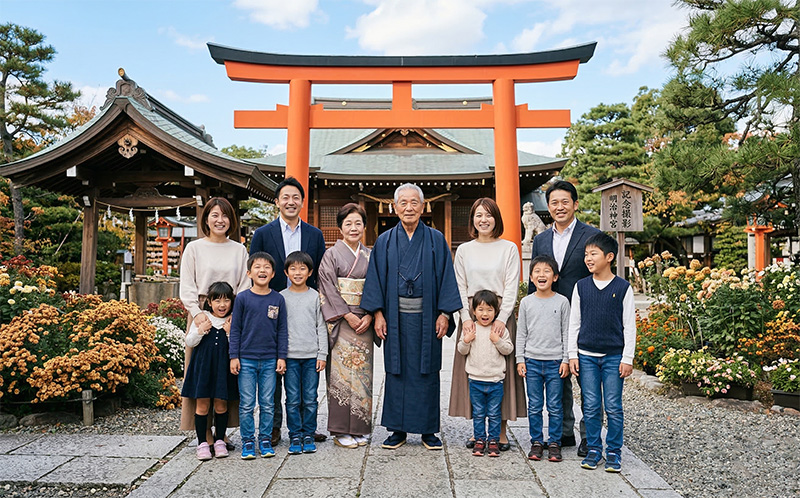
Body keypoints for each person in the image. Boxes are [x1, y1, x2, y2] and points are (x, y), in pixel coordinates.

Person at [361, 183, 462, 451]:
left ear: (423, 206)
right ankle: (398, 430)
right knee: (397, 370)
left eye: (414, 202)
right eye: (403, 203)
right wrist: (378, 314)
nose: (409, 207)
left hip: (428, 317)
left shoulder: (436, 239)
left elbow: (446, 277)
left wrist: (444, 313)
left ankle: (428, 430)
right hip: (394, 318)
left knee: (427, 370)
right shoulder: (384, 241)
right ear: (394, 208)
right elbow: (376, 281)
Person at [250, 177, 327, 445]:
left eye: (295, 197)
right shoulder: (262, 233)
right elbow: (256, 272)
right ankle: (273, 428)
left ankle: (306, 428)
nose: (290, 202)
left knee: (304, 380)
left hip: (304, 306)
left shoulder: (315, 235)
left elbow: (320, 274)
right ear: (277, 202)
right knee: (274, 370)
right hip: (271, 307)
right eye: (285, 197)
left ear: (302, 202)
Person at [527, 180, 601, 456]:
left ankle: (589, 436)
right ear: (548, 206)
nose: (559, 207)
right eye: (554, 202)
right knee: (560, 374)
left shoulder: (591, 236)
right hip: (549, 316)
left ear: (575, 204)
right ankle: (565, 432)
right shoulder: (541, 239)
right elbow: (535, 276)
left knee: (586, 377)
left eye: (564, 202)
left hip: (583, 316)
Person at [449, 197, 525, 451]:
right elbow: (459, 285)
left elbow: (512, 284)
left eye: (489, 215)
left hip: (499, 315)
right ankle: (478, 432)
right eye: (478, 215)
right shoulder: (464, 250)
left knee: (500, 373)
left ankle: (500, 432)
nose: (484, 219)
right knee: (475, 371)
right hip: (472, 316)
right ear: (472, 219)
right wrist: (465, 317)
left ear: (496, 219)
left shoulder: (509, 248)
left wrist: (503, 318)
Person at [179, 197, 250, 451]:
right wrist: (197, 313)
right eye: (214, 215)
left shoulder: (239, 249)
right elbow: (186, 285)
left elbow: (245, 284)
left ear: (232, 220)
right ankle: (204, 434)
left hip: (231, 315)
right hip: (201, 315)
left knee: (226, 374)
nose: (220, 220)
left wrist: (236, 314)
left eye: (225, 215)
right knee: (201, 375)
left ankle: (222, 434)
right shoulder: (194, 248)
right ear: (206, 218)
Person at [568, 233, 636, 472]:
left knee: (614, 406)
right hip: (586, 355)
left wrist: (627, 358)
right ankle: (595, 448)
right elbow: (574, 323)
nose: (588, 258)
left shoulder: (623, 288)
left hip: (613, 357)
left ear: (609, 257)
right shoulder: (581, 287)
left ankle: (614, 451)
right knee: (592, 405)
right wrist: (572, 354)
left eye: (593, 254)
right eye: (586, 254)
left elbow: (630, 326)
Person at [318, 203, 375, 449]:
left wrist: (370, 315)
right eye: (348, 223)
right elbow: (327, 288)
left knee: (362, 377)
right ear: (340, 228)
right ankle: (341, 429)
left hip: (365, 322)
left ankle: (360, 427)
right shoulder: (331, 255)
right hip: (342, 322)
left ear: (365, 226)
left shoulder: (370, 255)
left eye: (358, 223)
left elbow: (377, 287)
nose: (353, 228)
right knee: (341, 375)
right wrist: (347, 315)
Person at [229, 252, 288, 459]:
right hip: (246, 359)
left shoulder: (278, 299)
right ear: (249, 272)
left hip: (271, 359)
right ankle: (247, 441)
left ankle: (264, 439)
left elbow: (282, 330)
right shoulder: (243, 298)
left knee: (267, 402)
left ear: (273, 274)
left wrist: (282, 357)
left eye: (266, 267)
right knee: (246, 403)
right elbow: (235, 329)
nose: (262, 270)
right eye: (257, 267)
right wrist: (233, 356)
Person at [516, 255, 570, 463]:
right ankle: (537, 441)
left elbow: (566, 332)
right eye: (537, 271)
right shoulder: (527, 302)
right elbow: (522, 333)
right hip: (532, 361)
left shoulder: (562, 301)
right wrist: (520, 358)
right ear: (530, 277)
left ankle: (554, 442)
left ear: (555, 277)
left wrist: (565, 359)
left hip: (555, 361)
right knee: (535, 404)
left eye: (547, 271)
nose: (541, 275)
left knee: (555, 405)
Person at [182, 281, 239, 461]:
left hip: (223, 369)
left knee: (222, 405)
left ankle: (220, 440)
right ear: (209, 302)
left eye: (226, 300)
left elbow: (237, 347)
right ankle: (202, 443)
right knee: (202, 405)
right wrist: (200, 331)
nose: (222, 305)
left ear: (232, 301)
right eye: (217, 301)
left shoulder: (232, 320)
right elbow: (189, 342)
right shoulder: (203, 317)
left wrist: (230, 333)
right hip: (203, 369)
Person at [280, 251, 328, 455]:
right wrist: (279, 356)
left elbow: (321, 326)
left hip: (310, 357)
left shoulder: (315, 296)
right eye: (293, 268)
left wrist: (322, 354)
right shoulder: (281, 297)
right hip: (290, 357)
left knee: (310, 398)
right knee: (292, 399)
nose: (297, 273)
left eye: (302, 269)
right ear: (286, 272)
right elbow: (278, 329)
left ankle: (309, 433)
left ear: (310, 272)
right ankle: (295, 434)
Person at [457, 290, 513, 458]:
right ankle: (480, 440)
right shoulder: (471, 328)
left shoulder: (499, 330)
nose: (485, 313)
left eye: (489, 309)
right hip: (475, 380)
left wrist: (498, 341)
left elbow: (508, 349)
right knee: (479, 413)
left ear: (496, 311)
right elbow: (461, 349)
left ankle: (494, 440)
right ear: (473, 311)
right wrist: (466, 340)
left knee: (495, 413)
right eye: (480, 309)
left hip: (496, 380)